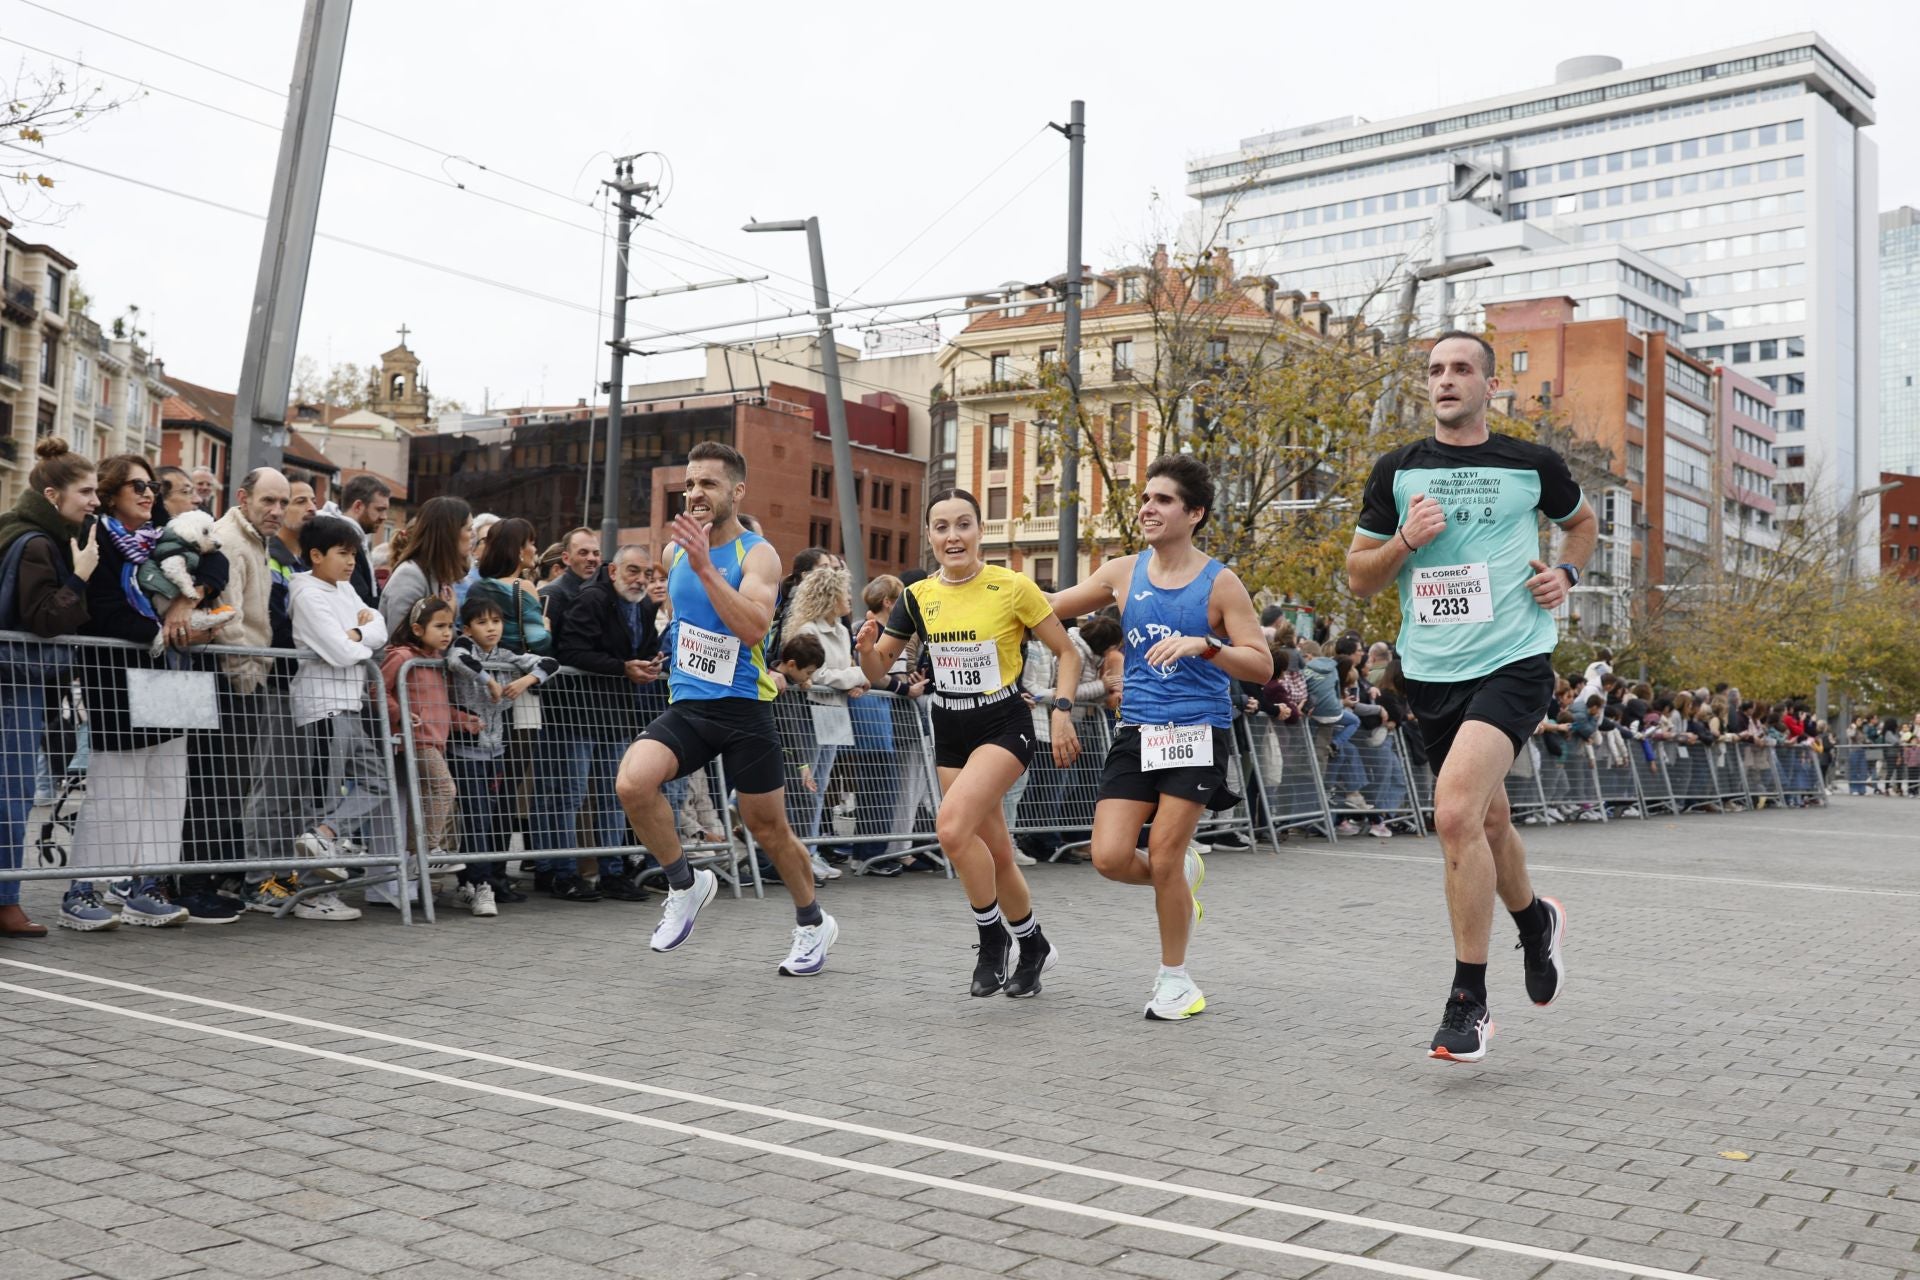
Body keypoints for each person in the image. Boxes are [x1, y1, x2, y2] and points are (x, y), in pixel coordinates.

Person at [1346, 329, 1596, 1063]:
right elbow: (1360, 577)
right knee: (1485, 821)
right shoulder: (1397, 471)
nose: (1446, 380)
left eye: (1461, 369)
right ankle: (1534, 923)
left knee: (1453, 812)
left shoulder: (1531, 464)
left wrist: (1567, 575)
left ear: (1490, 386)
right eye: (1435, 370)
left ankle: (1469, 1000)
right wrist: (1405, 543)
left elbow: (1581, 524)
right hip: (1429, 671)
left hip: (1515, 659)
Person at [1049, 455, 1271, 1021]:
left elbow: (1262, 666)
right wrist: (979, 586)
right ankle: (1179, 880)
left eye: (1163, 500)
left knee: (1166, 856)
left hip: (1198, 730)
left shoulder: (1220, 583)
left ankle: (1177, 981)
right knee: (1109, 856)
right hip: (1138, 730)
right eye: (1146, 498)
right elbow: (1048, 606)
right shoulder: (1123, 572)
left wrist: (1208, 646)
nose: (1148, 507)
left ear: (1194, 513)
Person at [613, 441, 838, 975]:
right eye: (689, 484)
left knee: (768, 828)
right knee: (632, 783)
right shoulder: (672, 554)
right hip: (690, 704)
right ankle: (685, 885)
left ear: (736, 491)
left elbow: (754, 628)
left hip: (743, 709)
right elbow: (685, 624)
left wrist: (704, 566)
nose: (695, 494)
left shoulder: (757, 554)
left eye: (707, 484)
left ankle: (813, 923)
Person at [857, 487, 1083, 999]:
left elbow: (1068, 653)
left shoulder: (1012, 587)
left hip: (1004, 723)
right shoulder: (917, 597)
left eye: (963, 525)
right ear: (930, 537)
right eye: (942, 527)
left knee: (952, 830)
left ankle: (990, 939)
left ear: (980, 532)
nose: (953, 536)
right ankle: (1034, 944)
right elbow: (876, 671)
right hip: (949, 729)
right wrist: (870, 651)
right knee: (997, 852)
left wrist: (1062, 710)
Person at [64, 454, 205, 930]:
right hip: (117, 679)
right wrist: (163, 628)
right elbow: (100, 609)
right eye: (136, 486)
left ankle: (148, 885)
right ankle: (83, 887)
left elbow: (215, 558)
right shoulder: (96, 537)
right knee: (114, 791)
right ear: (109, 494)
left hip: (170, 676)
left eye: (153, 487)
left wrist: (187, 600)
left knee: (169, 786)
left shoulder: (164, 532)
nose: (148, 494)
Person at [0, 439, 100, 937]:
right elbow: (44, 618)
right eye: (85, 491)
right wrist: (80, 578)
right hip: (15, 684)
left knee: (12, 792)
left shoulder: (22, 532)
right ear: (52, 494)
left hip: (15, 682)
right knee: (12, 794)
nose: (95, 501)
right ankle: (6, 901)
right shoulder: (39, 543)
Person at [286, 514, 390, 922]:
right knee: (324, 796)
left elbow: (379, 628)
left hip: (351, 704)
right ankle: (313, 892)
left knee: (376, 780)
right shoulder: (306, 593)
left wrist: (357, 634)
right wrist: (357, 637)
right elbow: (339, 652)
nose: (351, 562)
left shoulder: (346, 589)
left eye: (354, 553)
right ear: (316, 555)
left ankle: (325, 835)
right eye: (343, 553)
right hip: (322, 706)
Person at [552, 544, 662, 903]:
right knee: (569, 796)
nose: (641, 580)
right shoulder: (592, 599)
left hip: (617, 716)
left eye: (647, 573)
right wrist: (623, 667)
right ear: (613, 570)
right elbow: (569, 650)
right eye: (633, 571)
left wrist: (650, 663)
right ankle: (562, 872)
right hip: (578, 712)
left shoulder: (644, 606)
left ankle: (613, 872)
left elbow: (644, 649)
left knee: (615, 797)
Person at [446, 594, 555, 907]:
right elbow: (457, 660)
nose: (491, 628)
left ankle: (471, 880)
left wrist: (526, 682)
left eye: (495, 621)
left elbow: (549, 663)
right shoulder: (463, 646)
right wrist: (488, 680)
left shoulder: (507, 654)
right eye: (482, 622)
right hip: (466, 751)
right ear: (467, 628)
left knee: (486, 816)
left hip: (496, 751)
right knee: (477, 816)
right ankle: (482, 885)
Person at [383, 597, 480, 898]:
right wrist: (398, 712)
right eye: (439, 626)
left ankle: (416, 857)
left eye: (450, 626)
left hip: (436, 740)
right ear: (417, 628)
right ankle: (428, 850)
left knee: (425, 797)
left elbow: (438, 704)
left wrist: (463, 720)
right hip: (416, 739)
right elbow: (377, 688)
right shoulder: (401, 656)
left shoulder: (438, 662)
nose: (446, 633)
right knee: (444, 789)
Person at [784, 563, 866, 882]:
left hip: (835, 712)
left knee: (820, 789)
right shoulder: (808, 630)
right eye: (844, 591)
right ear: (830, 596)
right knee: (807, 788)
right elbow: (816, 674)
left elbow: (842, 670)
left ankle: (811, 849)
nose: (848, 597)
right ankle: (800, 852)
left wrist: (852, 680)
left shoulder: (844, 631)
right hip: (812, 711)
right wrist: (854, 677)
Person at [333, 475, 392, 608]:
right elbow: (361, 602)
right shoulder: (342, 541)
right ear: (358, 506)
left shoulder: (355, 540)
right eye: (379, 509)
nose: (384, 517)